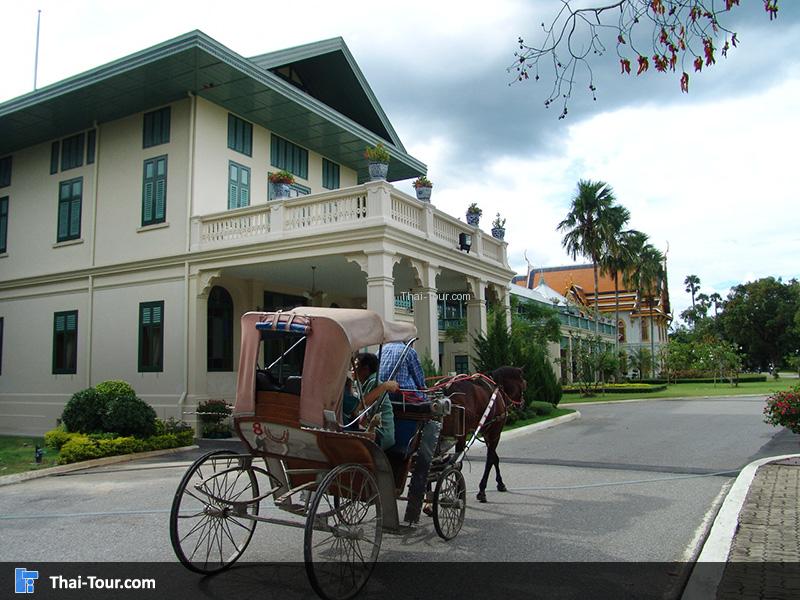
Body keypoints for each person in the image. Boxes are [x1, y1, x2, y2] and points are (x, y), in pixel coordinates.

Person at [379, 341, 439, 524]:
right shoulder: (408, 351)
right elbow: (419, 379)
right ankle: (428, 446)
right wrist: (426, 393)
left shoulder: (381, 349)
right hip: (405, 397)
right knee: (433, 411)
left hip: (383, 395)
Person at [354, 353, 398, 451]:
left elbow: (361, 405)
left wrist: (385, 386)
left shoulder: (375, 383)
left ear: (365, 369)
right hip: (368, 428)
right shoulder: (359, 383)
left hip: (380, 433)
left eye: (356, 366)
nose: (352, 370)